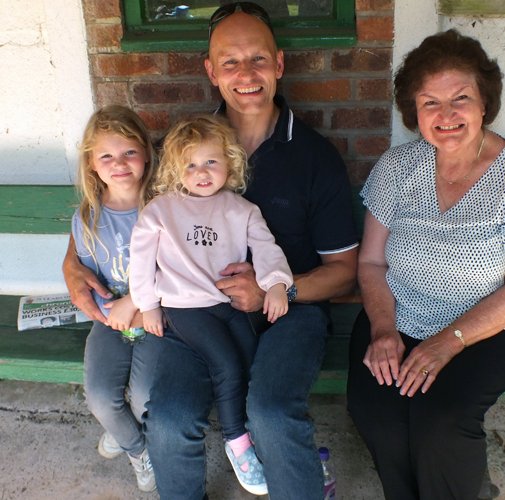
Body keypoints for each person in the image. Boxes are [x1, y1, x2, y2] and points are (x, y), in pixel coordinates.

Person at [62, 3, 359, 499]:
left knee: (269, 412)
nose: (246, 74)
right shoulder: (186, 146)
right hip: (193, 309)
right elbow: (119, 207)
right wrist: (73, 263)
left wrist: (272, 291)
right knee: (170, 417)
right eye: (230, 62)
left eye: (258, 59)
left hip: (292, 309)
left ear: (279, 64)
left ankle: (300, 479)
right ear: (211, 71)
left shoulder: (315, 156)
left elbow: (345, 272)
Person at [347, 30, 505, 500]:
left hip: (489, 331)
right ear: (415, 113)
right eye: (430, 103)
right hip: (396, 317)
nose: (445, 116)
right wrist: (384, 329)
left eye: (460, 98)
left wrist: (447, 343)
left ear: (484, 103)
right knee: (379, 417)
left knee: (440, 421)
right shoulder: (398, 167)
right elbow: (370, 261)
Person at [129, 116, 293, 495]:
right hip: (186, 309)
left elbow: (266, 249)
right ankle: (237, 443)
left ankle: (254, 433)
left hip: (229, 304)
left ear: (230, 163)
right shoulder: (161, 210)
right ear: (175, 170)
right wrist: (148, 305)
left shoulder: (242, 209)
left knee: (251, 361)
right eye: (190, 164)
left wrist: (277, 284)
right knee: (226, 365)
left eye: (211, 162)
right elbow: (139, 260)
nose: (201, 172)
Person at [69, 105, 161, 492]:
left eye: (128, 152)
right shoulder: (87, 217)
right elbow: (91, 277)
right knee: (102, 398)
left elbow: (179, 269)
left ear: (145, 153)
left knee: (144, 399)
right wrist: (108, 309)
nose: (119, 163)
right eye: (106, 155)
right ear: (91, 163)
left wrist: (138, 305)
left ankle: (124, 430)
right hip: (110, 319)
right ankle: (136, 447)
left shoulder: (163, 207)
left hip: (158, 316)